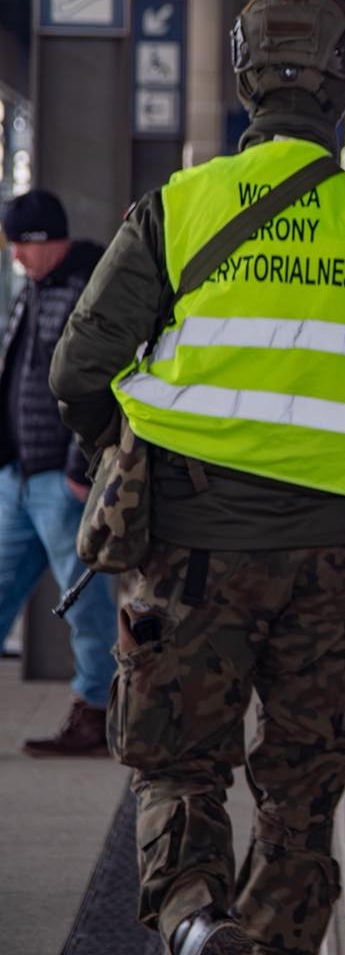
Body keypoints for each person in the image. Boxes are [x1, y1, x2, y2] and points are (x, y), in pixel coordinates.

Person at [50, 0, 345, 955]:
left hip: (190, 550)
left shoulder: (177, 208)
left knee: (180, 759)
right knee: (306, 778)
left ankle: (196, 916)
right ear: (343, 88)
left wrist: (114, 449)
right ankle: (277, 940)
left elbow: (80, 368)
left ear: (245, 81)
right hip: (331, 556)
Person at [0, 189, 116, 757]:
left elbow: (102, 380)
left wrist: (82, 462)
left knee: (85, 604)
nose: (16, 256)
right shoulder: (33, 290)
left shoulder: (86, 287)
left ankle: (95, 712)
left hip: (61, 481)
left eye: (23, 244)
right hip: (18, 477)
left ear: (49, 240)